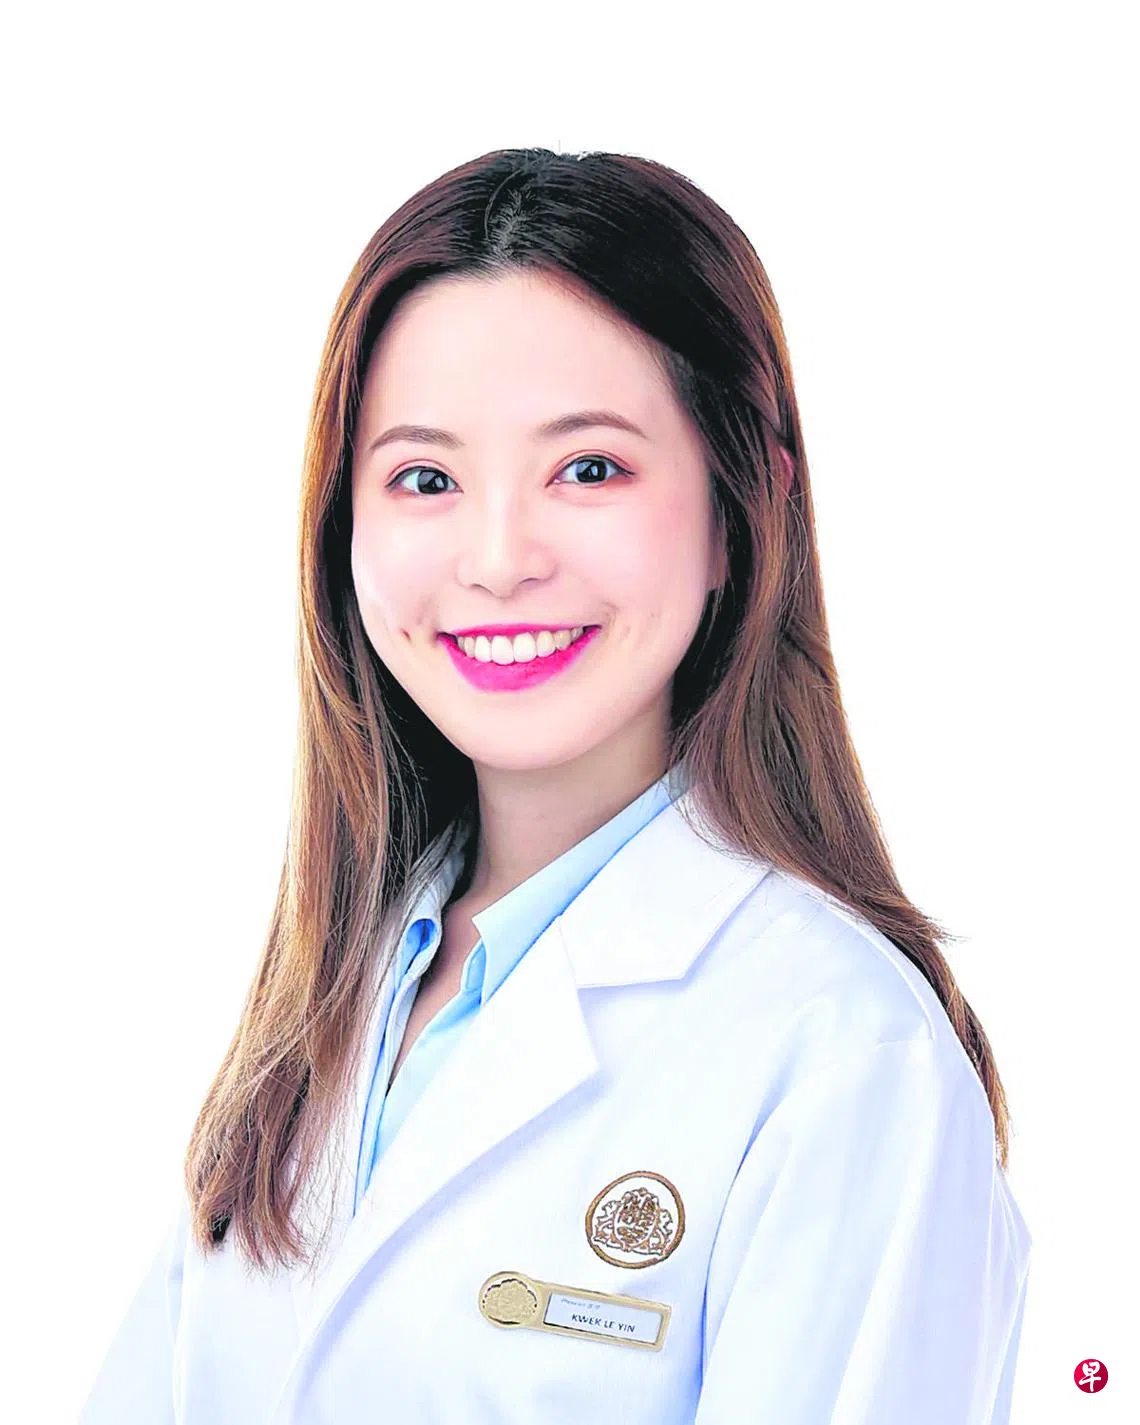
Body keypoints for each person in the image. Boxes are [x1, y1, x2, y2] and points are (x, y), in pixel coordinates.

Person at [79, 147, 1031, 1424]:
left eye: (588, 469)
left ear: (744, 505)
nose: (498, 559)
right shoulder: (329, 1001)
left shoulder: (848, 1057)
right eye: (425, 478)